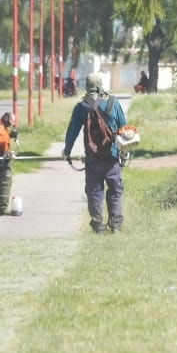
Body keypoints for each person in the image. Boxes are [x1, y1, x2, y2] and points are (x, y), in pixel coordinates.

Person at [62, 74, 128, 234]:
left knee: (94, 192)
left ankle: (98, 226)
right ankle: (116, 226)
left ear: (87, 86)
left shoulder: (82, 107)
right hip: (112, 157)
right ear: (101, 85)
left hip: (93, 158)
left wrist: (67, 151)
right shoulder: (113, 102)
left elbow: (72, 132)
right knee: (115, 191)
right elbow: (124, 129)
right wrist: (125, 152)